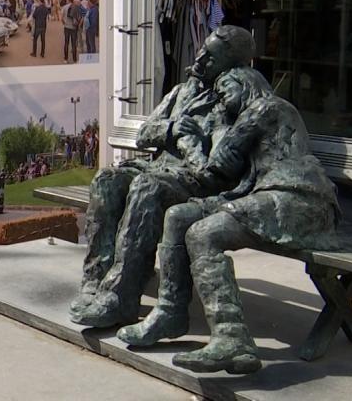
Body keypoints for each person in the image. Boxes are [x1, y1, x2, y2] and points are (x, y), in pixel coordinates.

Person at [117, 67, 340, 374]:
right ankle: (170, 311)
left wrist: (192, 138)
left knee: (203, 234)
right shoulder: (251, 114)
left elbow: (219, 166)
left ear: (246, 86)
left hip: (298, 201)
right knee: (179, 217)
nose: (220, 100)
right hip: (268, 198)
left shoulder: (265, 107)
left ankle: (231, 337)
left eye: (225, 91)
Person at [70, 26, 259, 328]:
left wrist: (198, 141)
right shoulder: (182, 91)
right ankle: (94, 279)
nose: (198, 60)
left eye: (210, 59)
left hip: (201, 180)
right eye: (201, 51)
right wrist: (172, 129)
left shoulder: (238, 97)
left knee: (148, 188)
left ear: (232, 65)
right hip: (160, 168)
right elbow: (145, 133)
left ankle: (121, 296)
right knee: (106, 180)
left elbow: (228, 161)